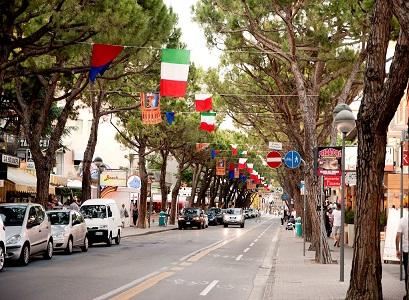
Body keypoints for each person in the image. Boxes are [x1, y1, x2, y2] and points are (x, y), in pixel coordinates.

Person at [396, 214, 409, 297]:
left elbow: (397, 237)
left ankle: (408, 294)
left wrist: (397, 250)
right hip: (406, 250)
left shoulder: (403, 220)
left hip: (406, 251)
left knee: (407, 274)